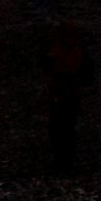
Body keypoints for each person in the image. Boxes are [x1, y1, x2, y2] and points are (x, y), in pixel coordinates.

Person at [42, 22, 96, 173]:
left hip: (62, 95)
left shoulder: (56, 53)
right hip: (67, 95)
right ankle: (64, 161)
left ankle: (62, 161)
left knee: (60, 130)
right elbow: (88, 78)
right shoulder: (76, 54)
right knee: (65, 130)